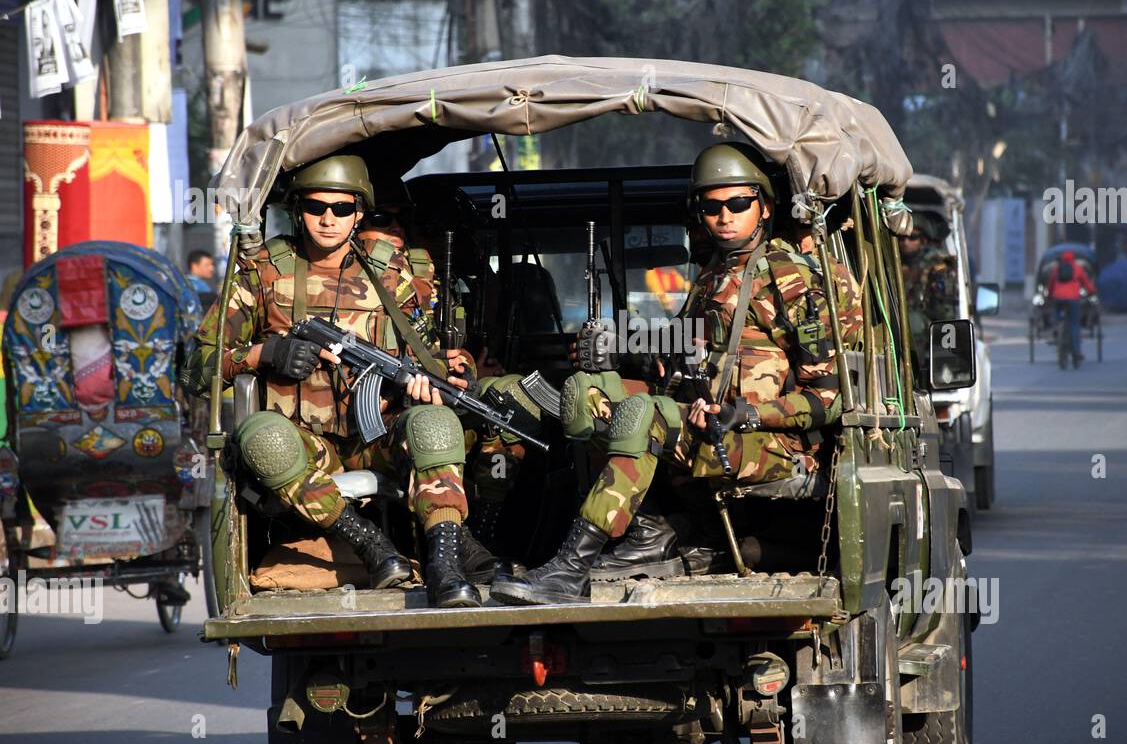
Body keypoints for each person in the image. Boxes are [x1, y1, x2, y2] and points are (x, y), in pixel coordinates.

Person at [490, 142, 860, 605]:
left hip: (771, 443)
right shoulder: (712, 275)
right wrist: (631, 350)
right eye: (711, 206)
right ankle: (648, 530)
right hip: (702, 420)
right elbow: (681, 348)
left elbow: (829, 400)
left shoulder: (795, 282)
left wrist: (744, 413)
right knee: (586, 391)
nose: (724, 216)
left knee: (643, 413)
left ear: (763, 207)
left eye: (738, 204)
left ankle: (571, 568)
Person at [182, 154, 486, 608]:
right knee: (259, 436)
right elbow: (196, 365)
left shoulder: (391, 272)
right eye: (315, 207)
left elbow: (433, 356)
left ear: (359, 212)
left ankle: (445, 565)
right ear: (296, 209)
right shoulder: (262, 270)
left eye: (342, 209)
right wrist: (266, 353)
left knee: (433, 422)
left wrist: (437, 381)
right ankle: (369, 543)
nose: (328, 219)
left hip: (377, 437)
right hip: (306, 447)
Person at [899, 210, 959, 383]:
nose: (906, 243)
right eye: (902, 238)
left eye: (913, 237)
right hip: (897, 328)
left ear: (923, 239)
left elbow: (945, 313)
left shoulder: (937, 267)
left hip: (926, 331)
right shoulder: (889, 263)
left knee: (914, 321)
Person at [1046, 250, 1096, 369]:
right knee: (1074, 325)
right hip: (1073, 299)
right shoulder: (1077, 268)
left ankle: (1057, 329)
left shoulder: (1057, 269)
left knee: (1057, 316)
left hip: (1058, 297)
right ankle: (1077, 352)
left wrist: (1049, 295)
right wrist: (1092, 292)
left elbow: (1050, 284)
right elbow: (1086, 283)